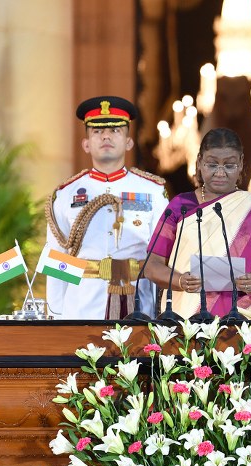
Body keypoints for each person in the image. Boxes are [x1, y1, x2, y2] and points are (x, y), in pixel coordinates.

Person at [144, 127, 251, 320]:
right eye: (212, 164)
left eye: (229, 165)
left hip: (243, 316)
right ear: (200, 162)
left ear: (241, 163)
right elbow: (152, 266)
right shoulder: (181, 206)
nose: (220, 173)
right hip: (186, 316)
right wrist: (180, 280)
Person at [46, 95, 169, 319]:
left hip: (139, 303)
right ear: (86, 144)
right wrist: (56, 314)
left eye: (115, 131)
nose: (106, 136)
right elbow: (57, 257)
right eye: (97, 131)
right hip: (82, 306)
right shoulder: (66, 194)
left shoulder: (153, 191)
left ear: (129, 141)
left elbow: (163, 255)